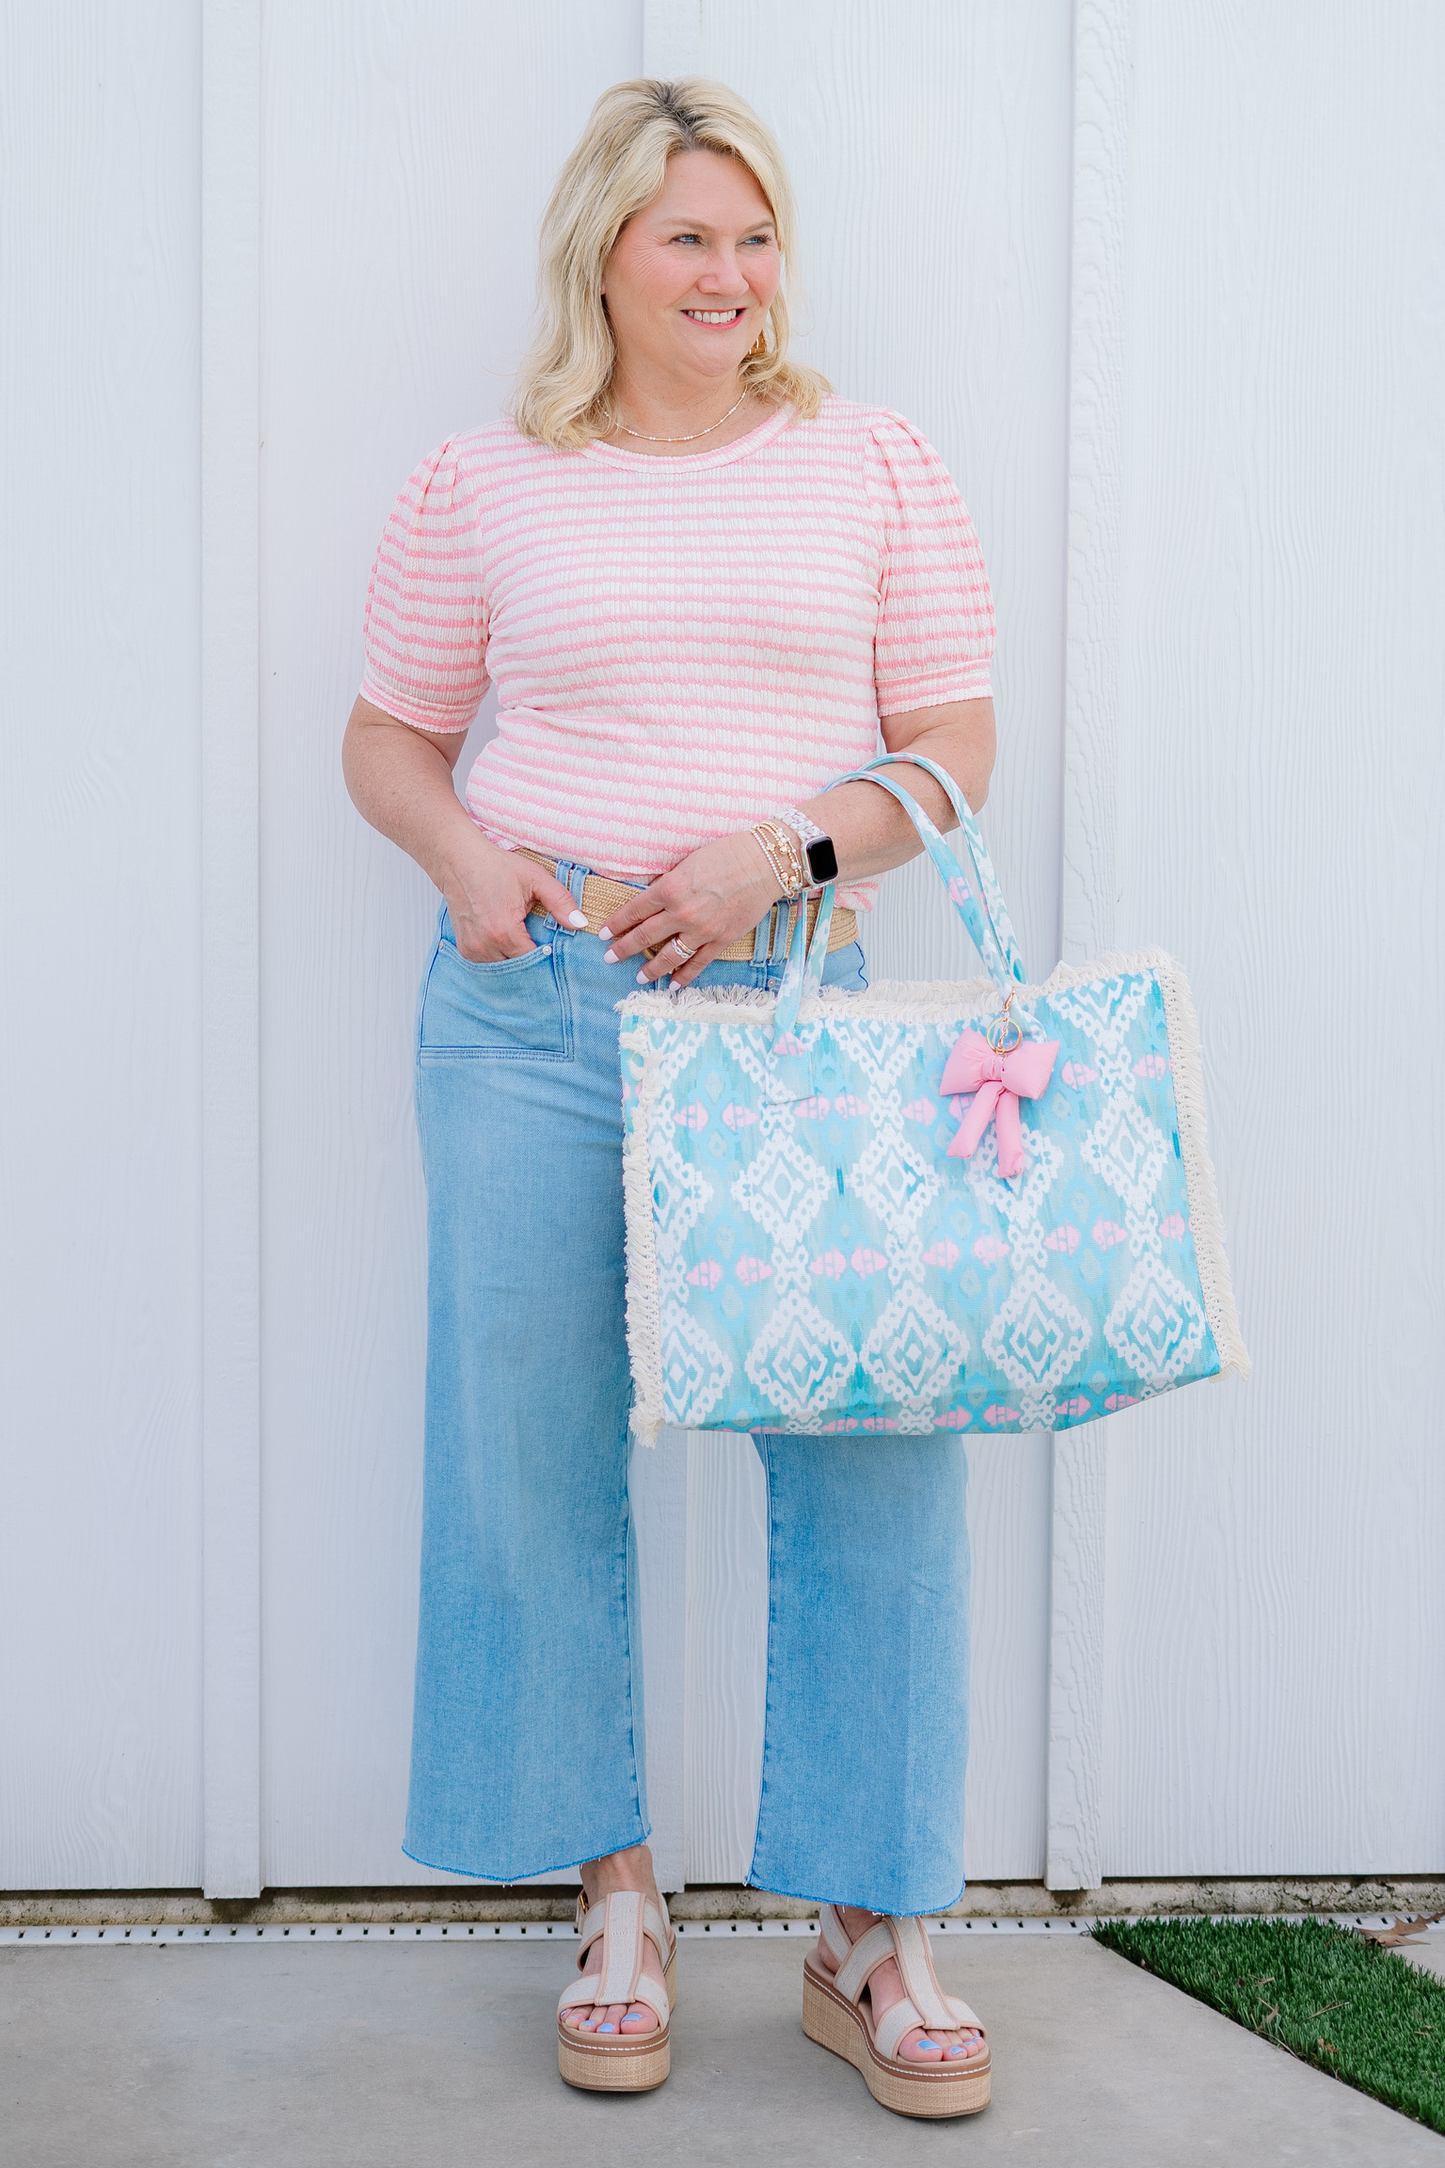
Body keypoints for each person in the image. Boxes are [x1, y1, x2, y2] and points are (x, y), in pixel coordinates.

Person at [343, 75, 996, 2119]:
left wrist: (774, 859)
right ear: (603, 257)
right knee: (529, 1458)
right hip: (530, 1017)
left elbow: (957, 740)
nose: (729, 274)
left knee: (875, 1456)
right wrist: (469, 870)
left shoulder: (869, 458)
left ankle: (865, 1928)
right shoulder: (482, 479)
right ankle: (611, 1895)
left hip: (795, 1012)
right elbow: (387, 740)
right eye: (686, 237)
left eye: (753, 235)